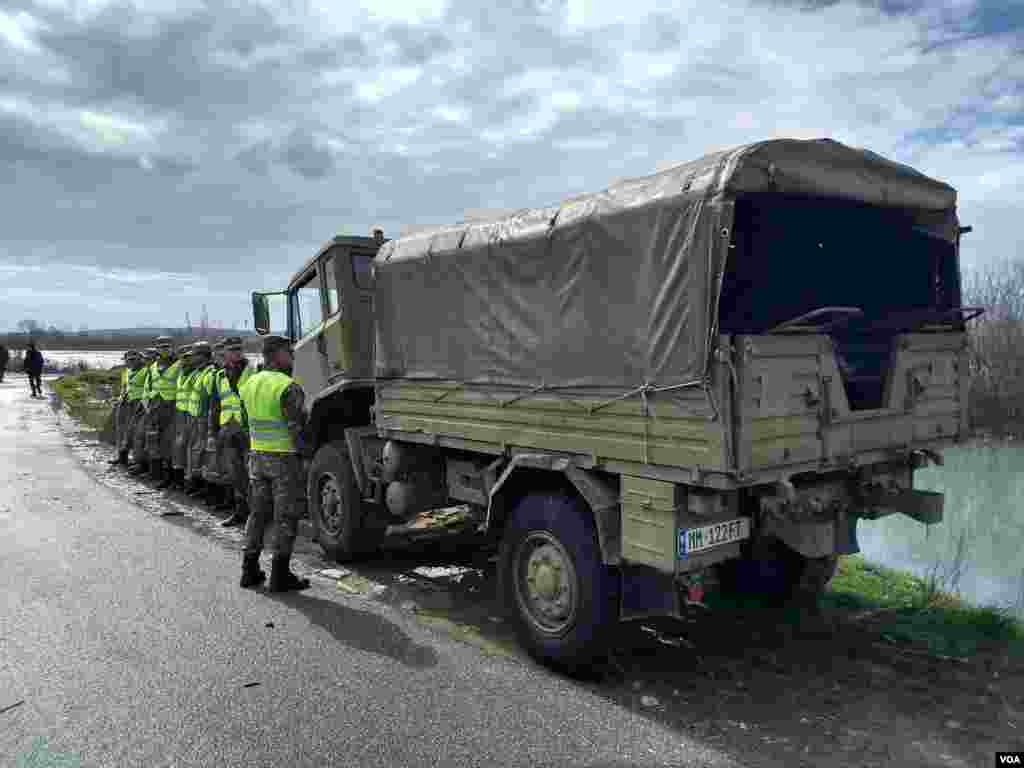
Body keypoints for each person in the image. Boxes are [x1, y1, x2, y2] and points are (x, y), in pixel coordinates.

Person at [238, 334, 311, 591]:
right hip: (283, 459)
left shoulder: (249, 384)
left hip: (257, 457)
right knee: (285, 517)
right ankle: (280, 575)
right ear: (278, 355)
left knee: (258, 514)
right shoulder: (287, 386)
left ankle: (249, 570)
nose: (292, 357)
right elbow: (296, 429)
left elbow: (246, 423)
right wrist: (307, 456)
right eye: (289, 352)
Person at [209, 336, 254, 527]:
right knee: (236, 474)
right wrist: (213, 432)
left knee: (253, 473)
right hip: (228, 428)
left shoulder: (252, 371)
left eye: (238, 349)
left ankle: (257, 514)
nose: (235, 353)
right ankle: (240, 512)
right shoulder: (219, 376)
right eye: (231, 350)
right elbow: (216, 406)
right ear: (224, 353)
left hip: (248, 429)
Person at [145, 336, 182, 488]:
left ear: (172, 347)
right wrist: (147, 402)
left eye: (167, 346)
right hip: (155, 406)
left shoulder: (179, 364)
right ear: (157, 348)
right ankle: (156, 473)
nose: (164, 349)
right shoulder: (153, 365)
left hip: (171, 406)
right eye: (161, 347)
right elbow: (150, 385)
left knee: (170, 441)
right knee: (155, 439)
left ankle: (171, 477)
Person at [186, 342, 216, 498]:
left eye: (195, 355)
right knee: (195, 452)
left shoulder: (209, 373)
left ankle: (205, 488)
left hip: (203, 419)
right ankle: (197, 484)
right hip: (194, 417)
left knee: (203, 453)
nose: (192, 358)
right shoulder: (198, 372)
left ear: (203, 356)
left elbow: (211, 399)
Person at [109, 351, 147, 467]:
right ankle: (122, 457)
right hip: (125, 402)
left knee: (136, 432)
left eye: (133, 359)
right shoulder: (126, 371)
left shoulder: (146, 371)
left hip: (139, 403)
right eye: (128, 360)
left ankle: (138, 461)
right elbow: (124, 387)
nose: (130, 362)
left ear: (140, 359)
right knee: (121, 430)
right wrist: (119, 398)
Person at [127, 349, 158, 476]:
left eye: (149, 359)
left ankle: (148, 467)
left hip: (153, 406)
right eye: (145, 358)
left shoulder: (151, 371)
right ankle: (140, 463)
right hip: (144, 404)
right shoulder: (149, 371)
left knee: (147, 437)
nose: (146, 361)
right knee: (139, 434)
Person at [170, 345, 197, 491]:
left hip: (190, 413)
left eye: (188, 357)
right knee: (178, 446)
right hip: (180, 412)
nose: (186, 360)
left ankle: (188, 480)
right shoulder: (181, 372)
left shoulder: (194, 373)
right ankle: (178, 478)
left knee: (188, 447)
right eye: (183, 357)